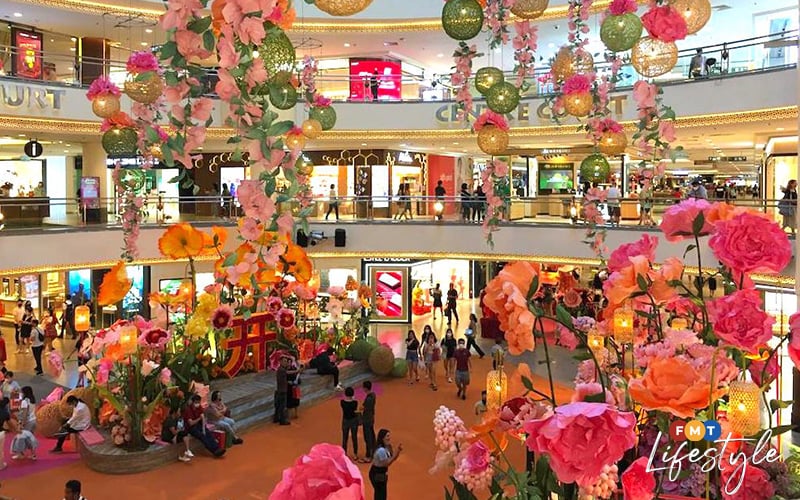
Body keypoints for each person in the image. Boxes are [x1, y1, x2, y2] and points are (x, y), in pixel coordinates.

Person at [369, 429, 402, 500]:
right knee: (380, 495)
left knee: (381, 494)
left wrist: (398, 451)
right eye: (387, 436)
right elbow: (387, 463)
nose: (389, 438)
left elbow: (392, 458)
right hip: (377, 474)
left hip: (381, 474)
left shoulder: (386, 448)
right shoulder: (381, 450)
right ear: (382, 438)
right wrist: (396, 452)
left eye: (389, 436)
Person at [274, 355, 300, 425]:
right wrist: (297, 371)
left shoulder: (280, 369)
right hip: (282, 391)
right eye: (284, 361)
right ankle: (282, 420)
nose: (285, 363)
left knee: (278, 406)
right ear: (280, 362)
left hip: (280, 390)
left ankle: (276, 418)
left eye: (286, 361)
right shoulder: (281, 370)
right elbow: (288, 372)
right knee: (282, 406)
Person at [340, 386, 359, 461]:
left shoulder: (342, 402)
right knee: (354, 437)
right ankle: (355, 454)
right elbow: (355, 408)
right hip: (353, 420)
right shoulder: (355, 403)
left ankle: (344, 454)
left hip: (345, 420)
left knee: (345, 438)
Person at [361, 381, 376, 463]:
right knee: (372, 435)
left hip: (367, 419)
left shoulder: (369, 398)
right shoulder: (373, 395)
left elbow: (365, 407)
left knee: (368, 437)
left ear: (365, 388)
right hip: (371, 418)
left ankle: (368, 456)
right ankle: (373, 452)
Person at [0, 398, 9, 471]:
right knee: (0, 450)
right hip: (1, 433)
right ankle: (1, 465)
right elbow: (10, 423)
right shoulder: (5, 412)